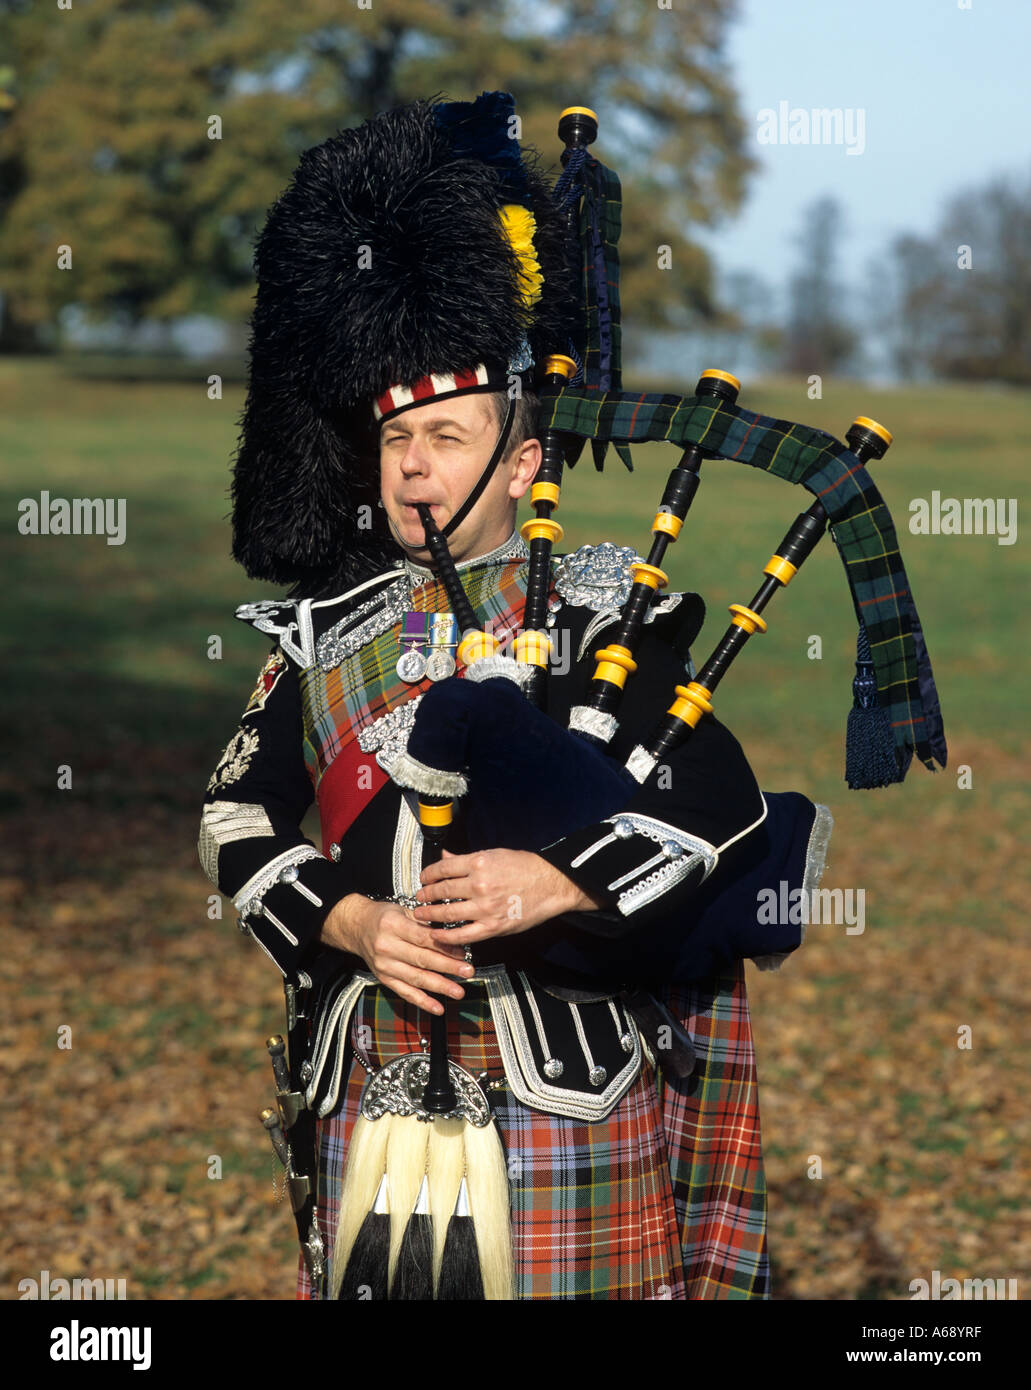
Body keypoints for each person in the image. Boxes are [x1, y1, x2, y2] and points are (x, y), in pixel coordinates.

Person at [199, 91, 842, 1301]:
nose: (412, 467)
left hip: (565, 1071)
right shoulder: (318, 635)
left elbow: (720, 806)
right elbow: (233, 822)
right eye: (395, 444)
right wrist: (352, 924)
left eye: (445, 436)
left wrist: (556, 879)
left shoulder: (611, 615)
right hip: (368, 1061)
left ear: (522, 459)